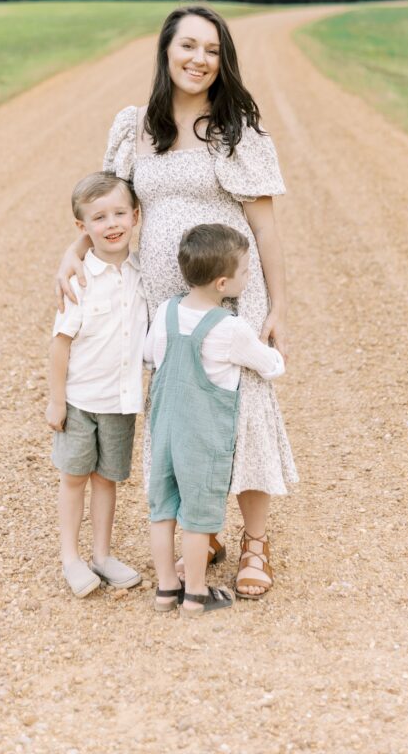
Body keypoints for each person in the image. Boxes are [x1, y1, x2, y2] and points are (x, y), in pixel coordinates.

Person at [56, 2, 297, 599]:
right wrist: (73, 250)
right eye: (189, 46)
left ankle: (256, 543)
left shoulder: (237, 130)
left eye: (213, 51)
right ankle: (201, 529)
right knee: (181, 417)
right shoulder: (135, 125)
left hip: (229, 293)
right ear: (167, 51)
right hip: (162, 298)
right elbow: (108, 203)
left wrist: (280, 305)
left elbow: (265, 228)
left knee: (243, 408)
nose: (200, 60)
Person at [146, 224, 285, 616]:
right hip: (203, 439)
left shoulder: (166, 312)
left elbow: (149, 355)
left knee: (162, 510)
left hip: (165, 433)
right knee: (197, 515)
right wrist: (277, 356)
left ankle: (164, 588)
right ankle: (194, 594)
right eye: (245, 272)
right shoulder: (231, 328)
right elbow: (269, 366)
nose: (249, 277)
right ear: (223, 283)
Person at [46, 172, 147, 598]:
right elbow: (60, 345)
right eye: (99, 217)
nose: (111, 224)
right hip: (80, 400)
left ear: (136, 216)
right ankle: (71, 557)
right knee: (74, 477)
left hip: (120, 401)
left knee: (107, 479)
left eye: (119, 213)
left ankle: (102, 555)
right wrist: (56, 401)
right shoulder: (79, 279)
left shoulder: (143, 274)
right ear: (82, 229)